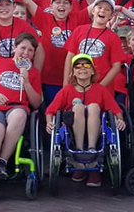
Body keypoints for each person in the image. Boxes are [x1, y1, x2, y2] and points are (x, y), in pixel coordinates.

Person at [0, 34, 42, 203]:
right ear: (14, 48)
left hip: (16, 108)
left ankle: (2, 162)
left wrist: (27, 82)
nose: (25, 53)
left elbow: (36, 103)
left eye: (30, 50)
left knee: (19, 114)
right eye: (22, 48)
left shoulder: (33, 72)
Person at [43, 53, 124, 187]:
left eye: (86, 65)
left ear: (92, 71)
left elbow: (116, 110)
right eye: (78, 66)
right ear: (73, 72)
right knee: (78, 107)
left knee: (93, 107)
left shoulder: (100, 89)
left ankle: (92, 151)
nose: (82, 68)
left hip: (97, 129)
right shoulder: (67, 90)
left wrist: (120, 120)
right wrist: (49, 122)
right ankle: (79, 151)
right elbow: (50, 110)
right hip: (72, 130)